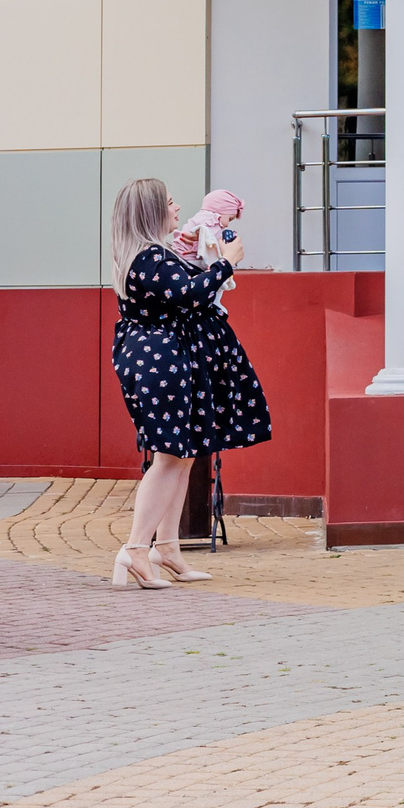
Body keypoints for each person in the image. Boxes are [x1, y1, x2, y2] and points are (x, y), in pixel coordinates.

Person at [106, 178, 272, 589]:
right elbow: (191, 294)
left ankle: (168, 549)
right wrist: (226, 262)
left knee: (182, 457)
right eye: (169, 202)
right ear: (151, 213)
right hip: (161, 362)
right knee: (167, 459)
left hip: (170, 359)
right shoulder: (147, 259)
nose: (177, 207)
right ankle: (135, 550)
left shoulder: (155, 255)